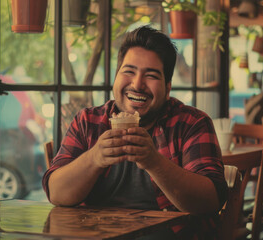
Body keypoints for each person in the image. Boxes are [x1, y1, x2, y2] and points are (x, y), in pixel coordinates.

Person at [42, 25, 227, 239]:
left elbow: (211, 200)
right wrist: (94, 158)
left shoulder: (191, 123)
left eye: (151, 75)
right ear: (116, 77)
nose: (137, 84)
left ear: (168, 88)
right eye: (128, 71)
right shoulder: (88, 121)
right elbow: (56, 193)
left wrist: (153, 162)